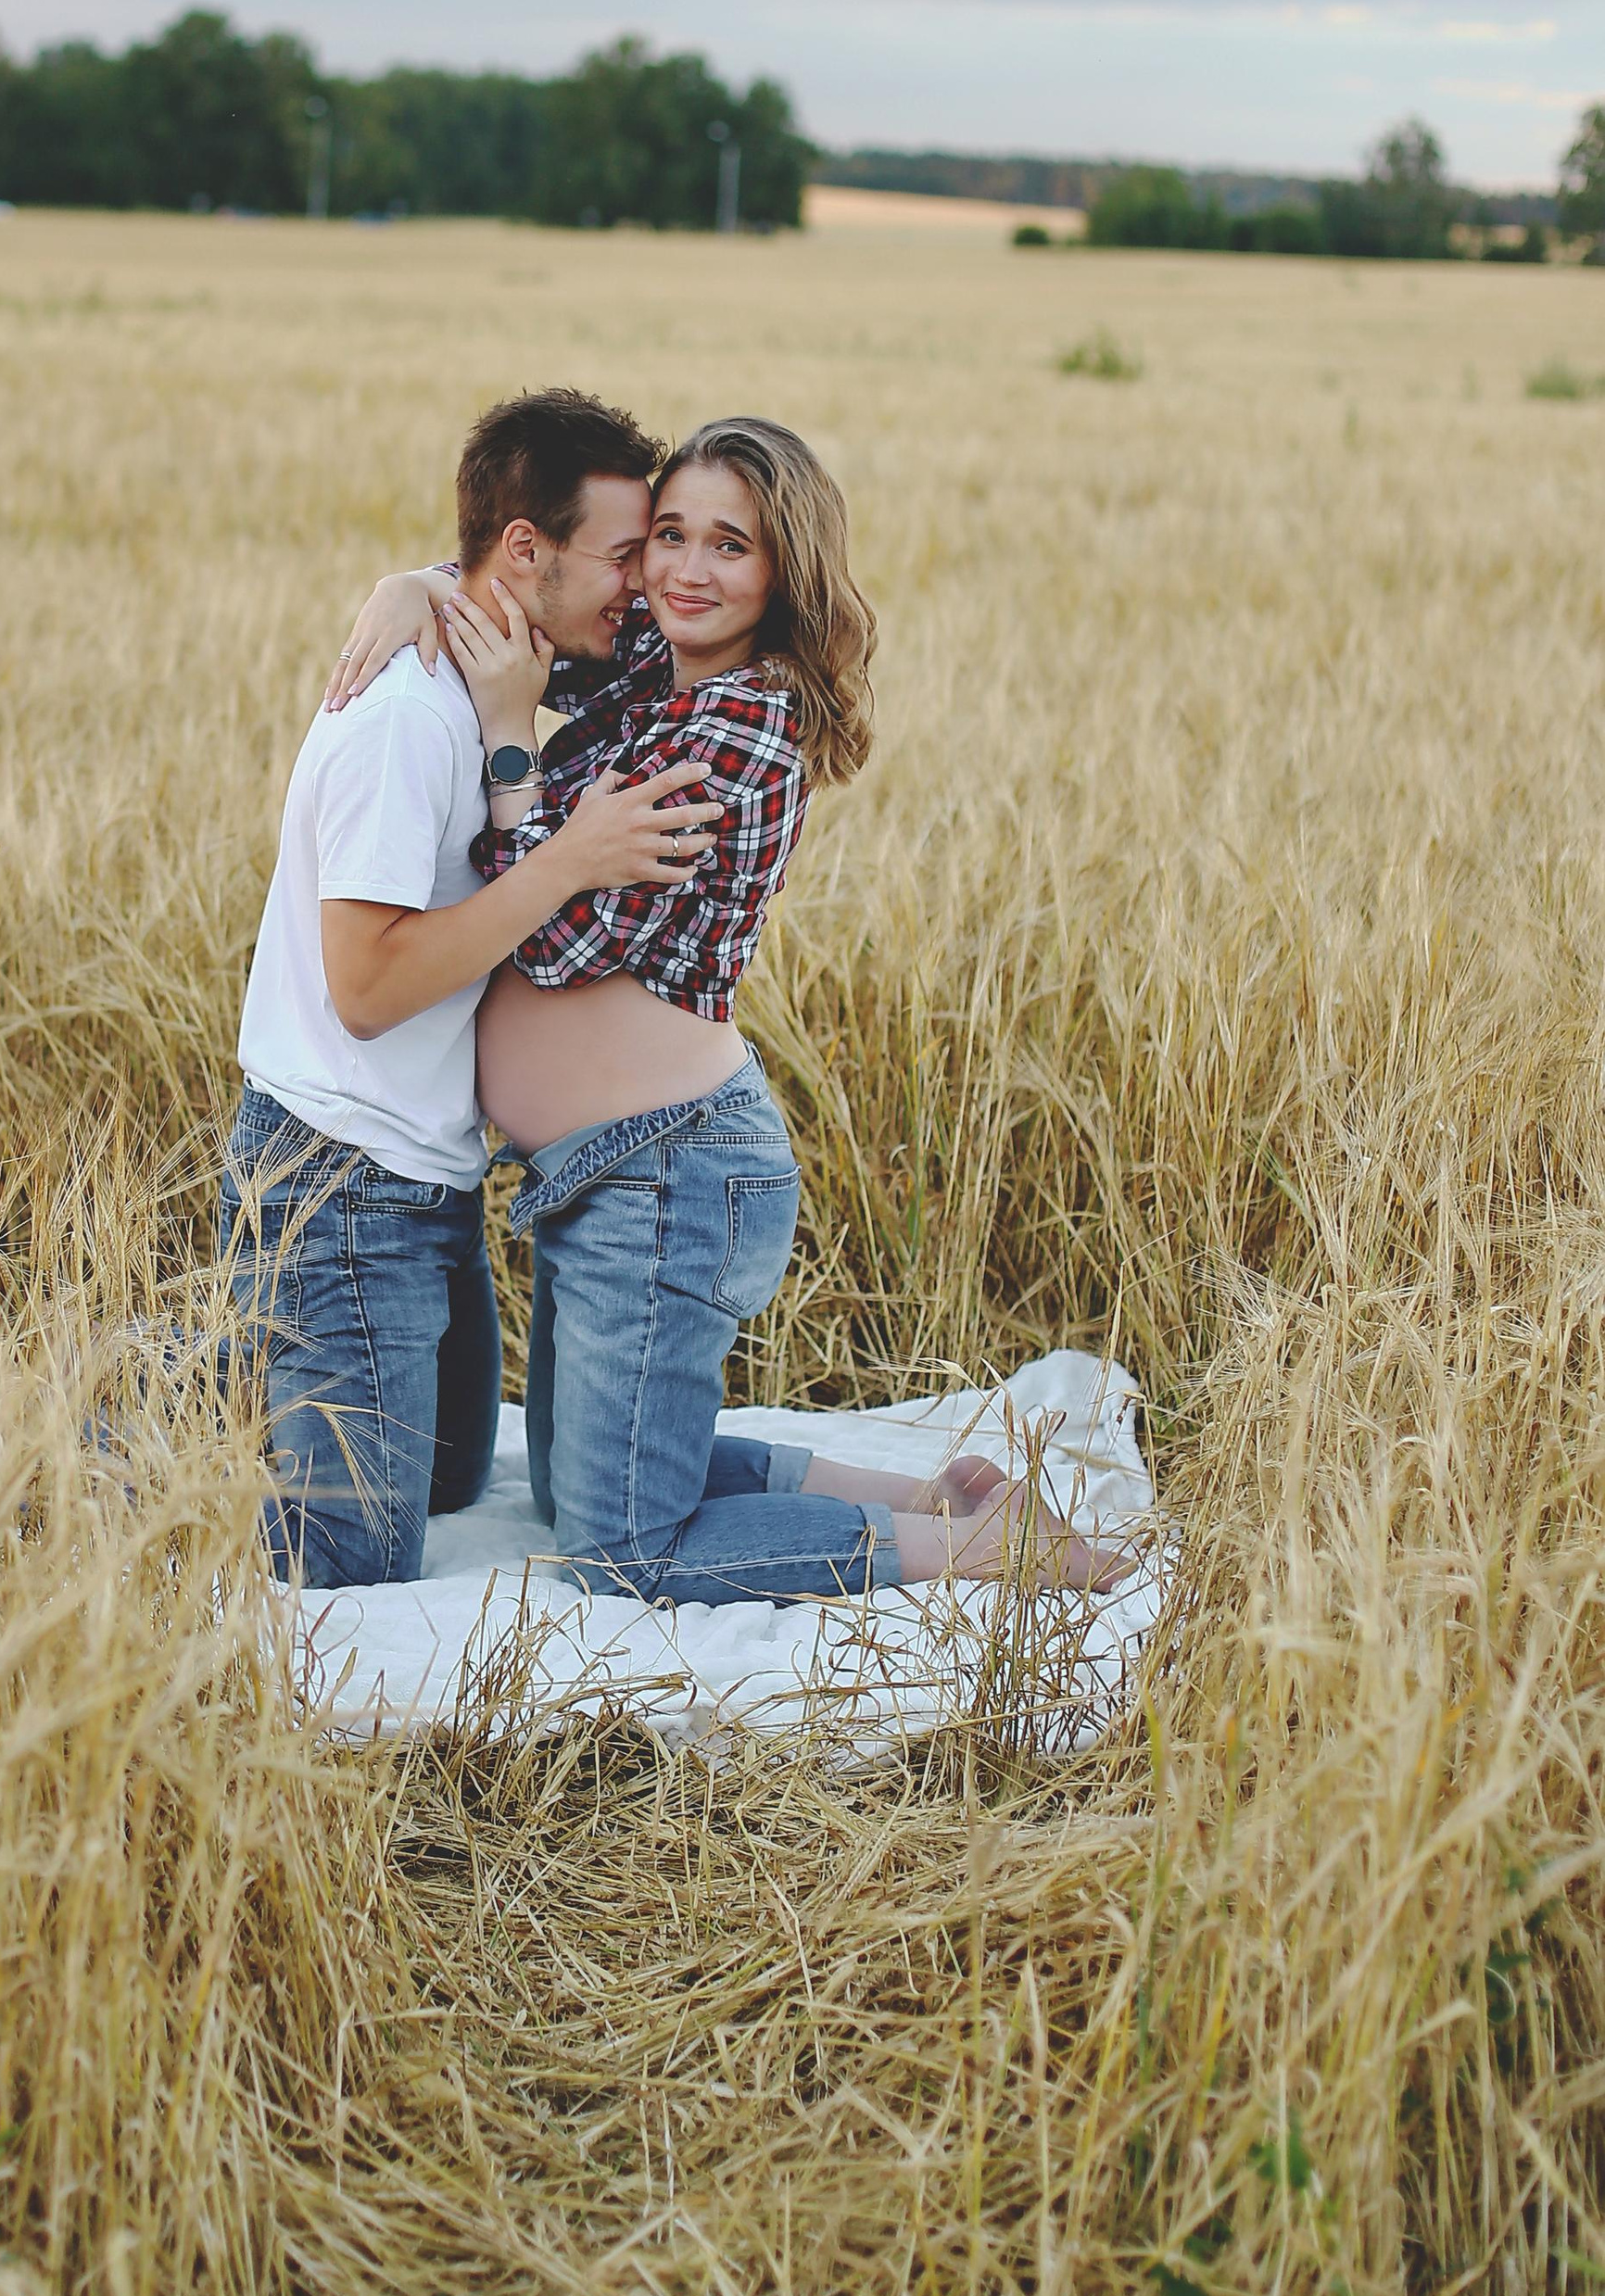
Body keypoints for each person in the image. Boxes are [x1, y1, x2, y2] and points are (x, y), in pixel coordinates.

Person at [334, 416, 1129, 1600]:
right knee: (571, 1485)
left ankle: (979, 1552)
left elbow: (554, 946)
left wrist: (510, 742)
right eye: (665, 536)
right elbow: (531, 595)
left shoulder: (740, 726)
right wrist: (415, 586)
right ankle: (932, 1493)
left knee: (620, 1550)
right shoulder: (666, 660)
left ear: (781, 574)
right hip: (608, 1170)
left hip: (670, 1176)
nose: (684, 572)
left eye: (729, 546)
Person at [225, 389, 722, 1589]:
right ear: (523, 551)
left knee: (452, 1475)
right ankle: (86, 1445)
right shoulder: (407, 723)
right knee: (348, 1554)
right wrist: (566, 863)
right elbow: (368, 985)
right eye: (621, 554)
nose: (640, 585)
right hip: (342, 1178)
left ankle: (244, 1361)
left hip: (423, 1179)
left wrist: (415, 583)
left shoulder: (494, 670)